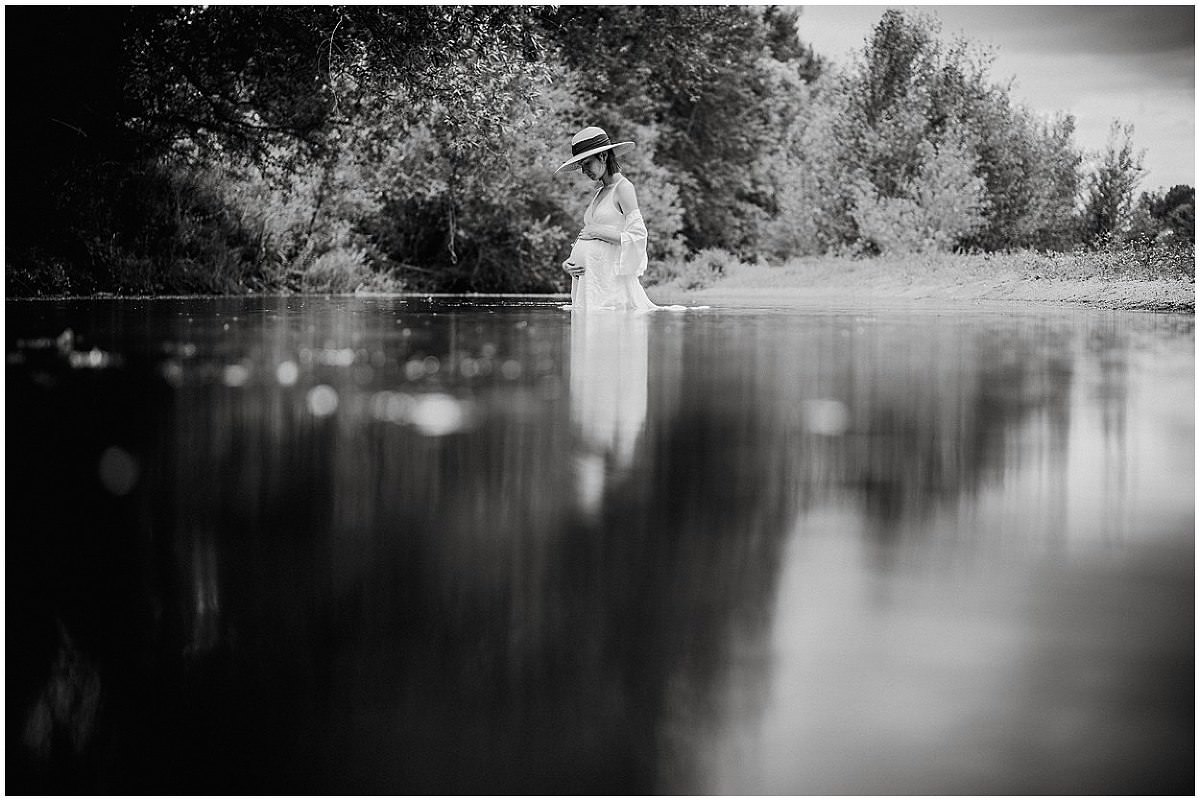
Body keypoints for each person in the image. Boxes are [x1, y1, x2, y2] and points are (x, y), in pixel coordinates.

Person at [556, 127, 675, 311]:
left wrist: (597, 231)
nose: (583, 171)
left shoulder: (624, 188)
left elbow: (638, 236)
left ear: (603, 156)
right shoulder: (600, 192)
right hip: (592, 283)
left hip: (610, 287)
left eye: (587, 164)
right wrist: (570, 263)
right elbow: (590, 237)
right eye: (581, 166)